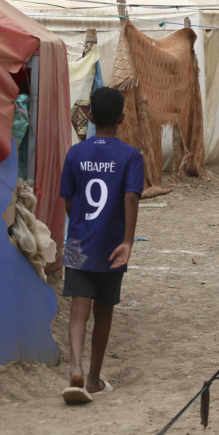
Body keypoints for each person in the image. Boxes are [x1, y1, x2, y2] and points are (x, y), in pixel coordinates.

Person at [59, 87, 144, 405]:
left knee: (78, 311)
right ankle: (94, 378)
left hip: (80, 241)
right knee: (104, 312)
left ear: (90, 117)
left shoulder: (75, 153)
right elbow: (132, 196)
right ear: (122, 119)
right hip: (113, 245)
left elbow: (68, 200)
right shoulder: (131, 156)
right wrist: (127, 242)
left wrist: (79, 227)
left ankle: (75, 369)